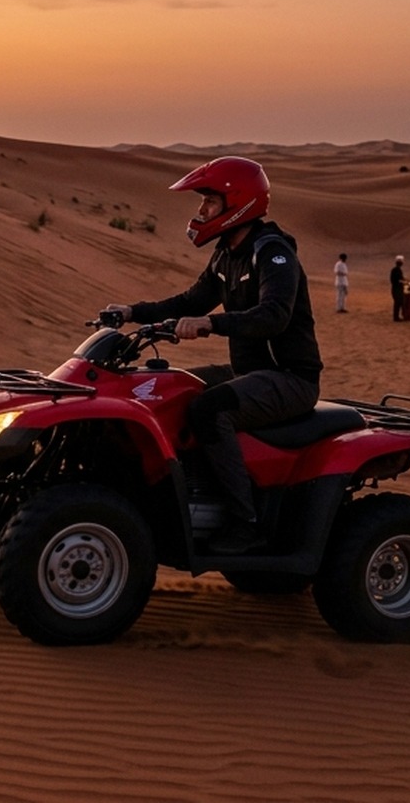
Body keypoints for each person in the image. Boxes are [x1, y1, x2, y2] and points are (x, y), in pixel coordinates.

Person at [102, 156, 321, 555]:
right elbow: (191, 300)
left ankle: (244, 522)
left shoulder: (272, 253)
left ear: (237, 204)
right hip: (248, 372)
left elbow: (274, 316)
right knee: (170, 390)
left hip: (290, 378)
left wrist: (211, 324)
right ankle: (185, 492)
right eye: (201, 203)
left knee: (208, 409)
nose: (200, 211)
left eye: (208, 203)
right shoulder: (226, 255)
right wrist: (133, 312)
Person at [390, 255, 406, 321]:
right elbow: (396, 280)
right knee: (398, 303)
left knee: (398, 303)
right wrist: (402, 282)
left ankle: (397, 316)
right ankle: (396, 317)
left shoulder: (396, 270)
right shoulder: (396, 270)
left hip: (396, 289)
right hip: (397, 289)